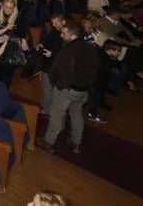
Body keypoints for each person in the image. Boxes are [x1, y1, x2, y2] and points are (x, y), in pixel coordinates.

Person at [37, 23, 99, 154]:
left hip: (67, 88)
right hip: (83, 90)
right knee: (77, 115)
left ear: (73, 35)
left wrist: (56, 83)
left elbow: (58, 68)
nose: (61, 35)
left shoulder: (70, 49)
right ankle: (76, 143)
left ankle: (48, 141)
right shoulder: (90, 47)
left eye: (64, 33)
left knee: (56, 115)